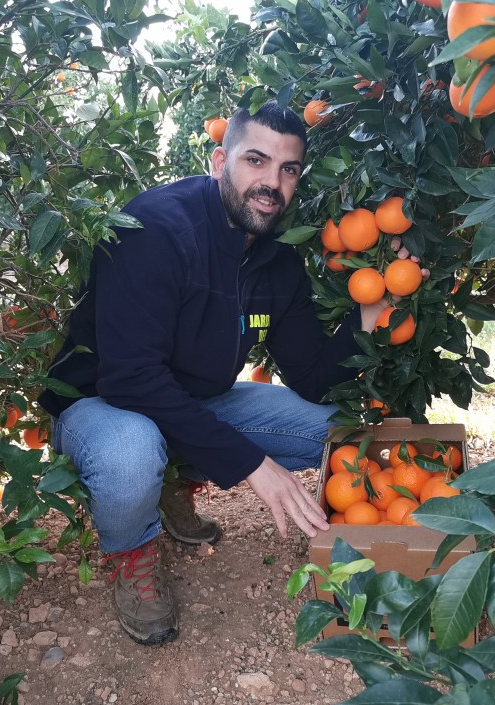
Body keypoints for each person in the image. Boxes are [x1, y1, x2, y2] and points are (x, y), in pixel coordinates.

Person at [38, 101, 391, 645]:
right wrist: (252, 464)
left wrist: (368, 310)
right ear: (219, 159)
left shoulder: (278, 259)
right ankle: (132, 553)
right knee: (132, 455)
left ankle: (175, 479)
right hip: (100, 402)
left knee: (331, 430)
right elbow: (130, 379)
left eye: (288, 169)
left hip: (195, 399)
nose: (271, 183)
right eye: (256, 160)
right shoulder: (155, 229)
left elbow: (313, 375)